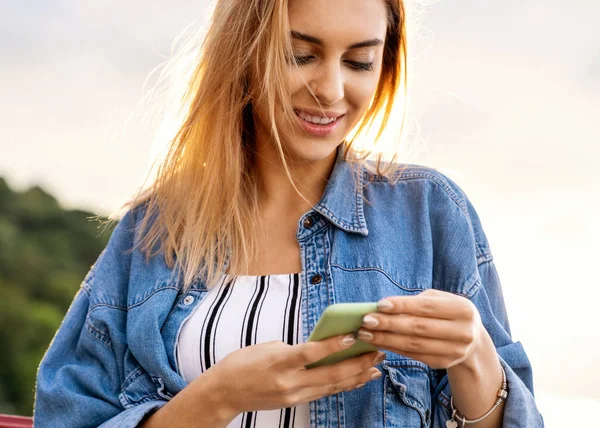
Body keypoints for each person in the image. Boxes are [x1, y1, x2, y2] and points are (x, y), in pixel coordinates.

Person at [34, 0, 544, 426]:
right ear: (244, 54)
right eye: (301, 55)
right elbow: (66, 415)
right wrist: (217, 398)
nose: (331, 90)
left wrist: (475, 355)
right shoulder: (152, 232)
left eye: (360, 62)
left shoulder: (431, 213)